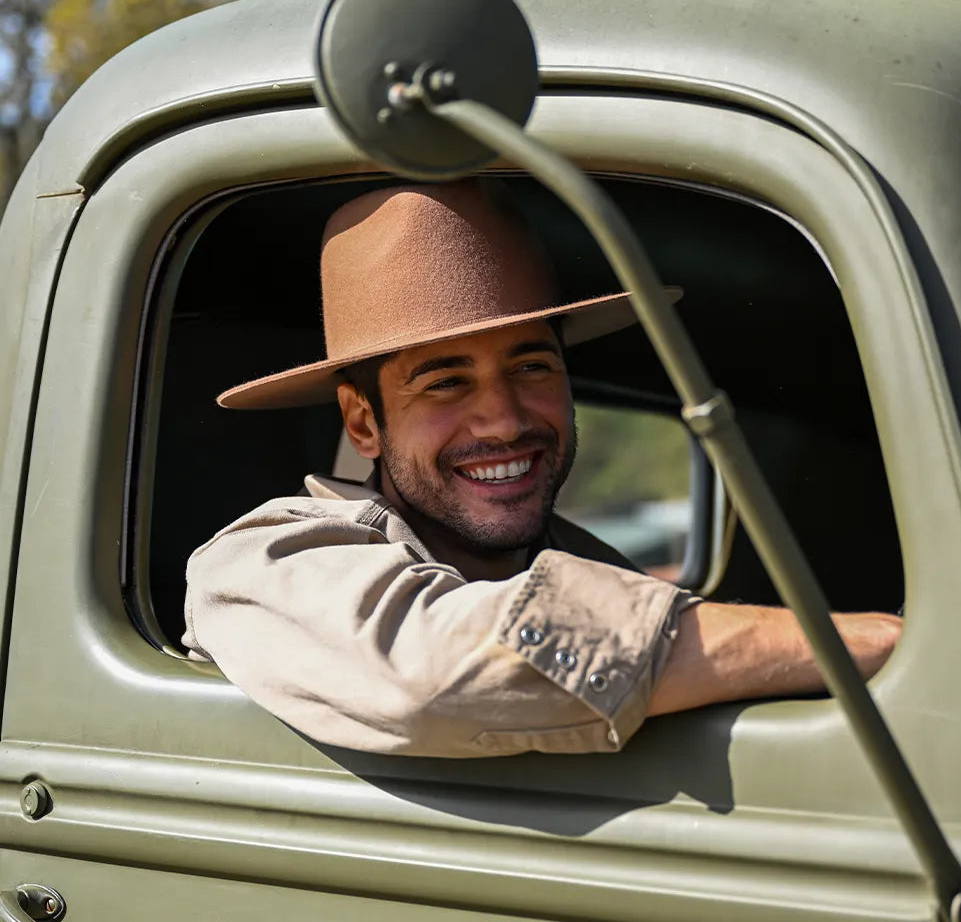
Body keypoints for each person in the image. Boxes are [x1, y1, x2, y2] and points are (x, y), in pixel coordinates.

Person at [183, 179, 901, 758]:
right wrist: (884, 645)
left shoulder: (593, 566)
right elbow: (429, 672)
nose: (503, 420)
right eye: (445, 382)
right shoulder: (261, 563)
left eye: (532, 366)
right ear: (364, 421)